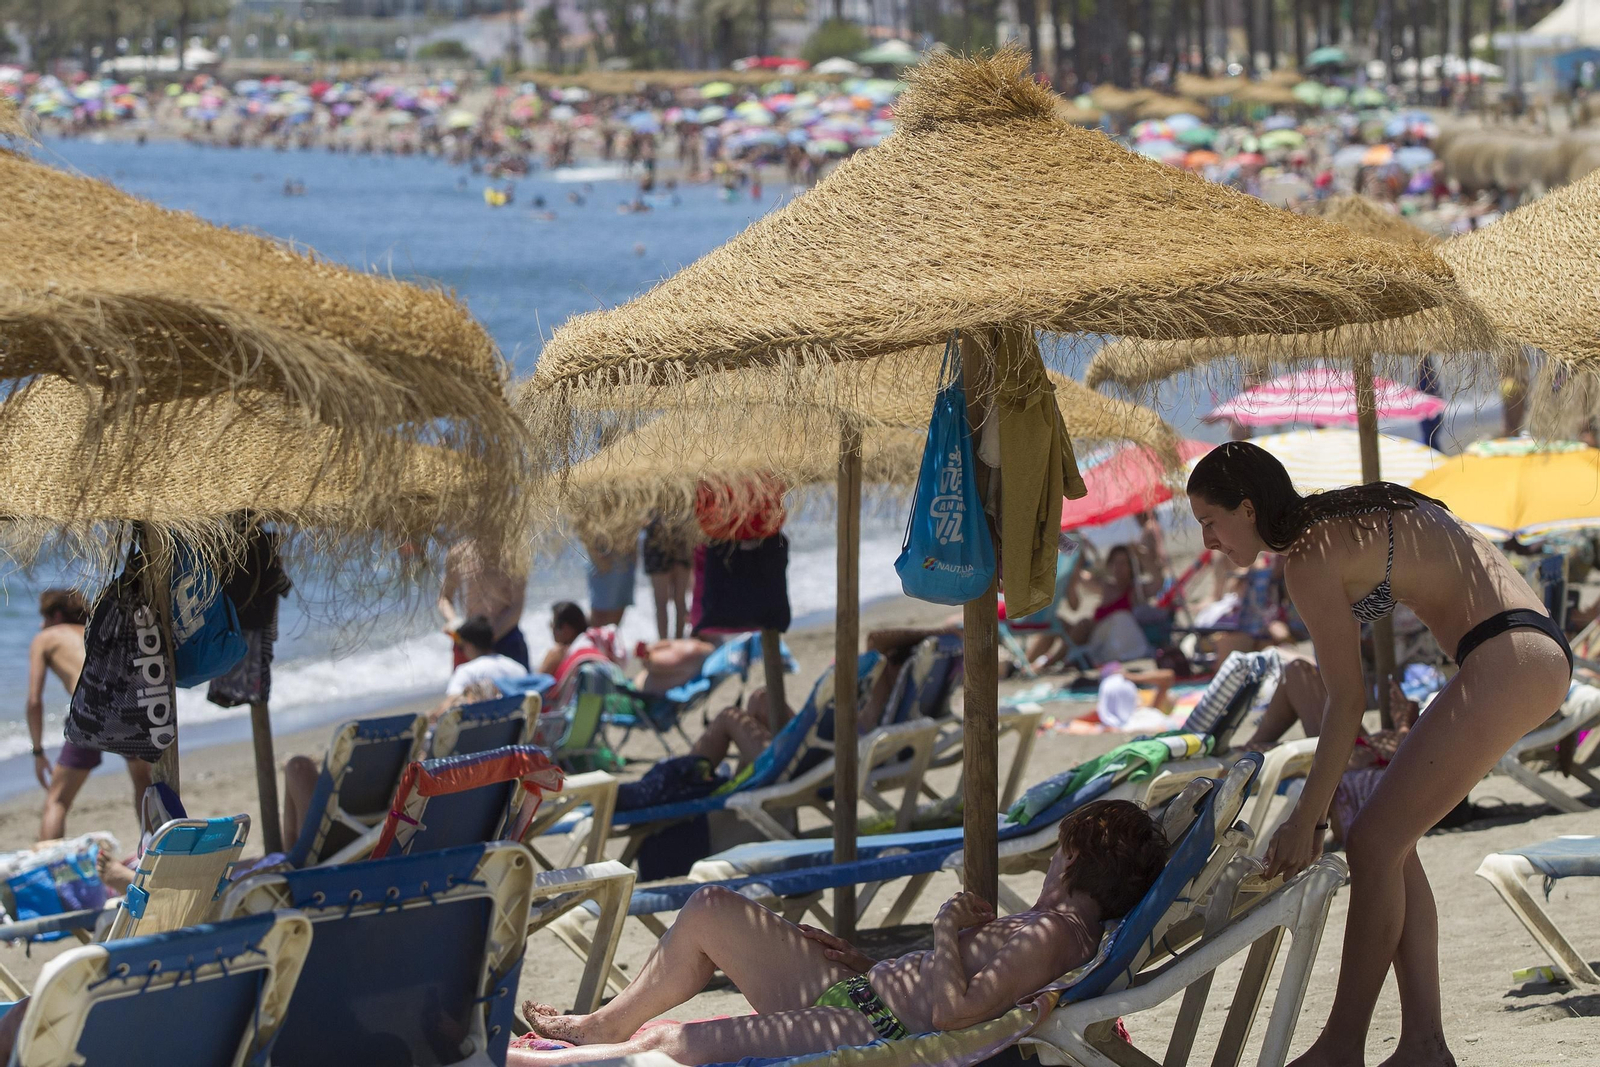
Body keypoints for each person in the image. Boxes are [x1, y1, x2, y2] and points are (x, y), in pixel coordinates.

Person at [1187, 441, 1572, 1067]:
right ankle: (1423, 1045)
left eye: (1210, 521)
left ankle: (1342, 1047)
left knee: (1371, 843)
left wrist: (1307, 818)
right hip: (1521, 649)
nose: (1207, 541)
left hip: (1507, 657)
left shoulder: (1309, 555)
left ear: (1248, 509)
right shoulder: (1338, 523)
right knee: (1393, 844)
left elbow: (1346, 701)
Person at [516, 800, 1167, 1066]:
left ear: (1073, 858)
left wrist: (944, 926)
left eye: (1055, 853)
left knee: (669, 1044)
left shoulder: (1055, 933)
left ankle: (552, 1060)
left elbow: (952, 1012)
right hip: (862, 995)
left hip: (867, 1029)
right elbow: (954, 991)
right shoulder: (1057, 931)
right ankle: (599, 1025)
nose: (1049, 861)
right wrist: (873, 964)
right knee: (711, 907)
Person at [28, 590, 152, 841]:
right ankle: (156, 850)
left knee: (57, 800)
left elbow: (34, 701)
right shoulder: (96, 630)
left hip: (91, 710)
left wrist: (38, 752)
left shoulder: (45, 638)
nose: (41, 625)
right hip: (130, 704)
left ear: (57, 615)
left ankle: (51, 860)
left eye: (44, 617)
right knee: (143, 783)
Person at [438, 538, 530, 670]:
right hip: (469, 640)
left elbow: (517, 606)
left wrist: (489, 636)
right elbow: (444, 598)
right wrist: (454, 621)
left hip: (505, 636)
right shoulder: (458, 553)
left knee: (518, 681)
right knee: (464, 682)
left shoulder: (514, 555)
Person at [431, 615, 530, 721]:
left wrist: (431, 716)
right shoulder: (518, 668)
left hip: (482, 728)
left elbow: (449, 707)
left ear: (469, 645)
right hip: (515, 728)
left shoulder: (467, 671)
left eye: (462, 646)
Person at [642, 516, 693, 641]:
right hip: (670, 542)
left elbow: (641, 520)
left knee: (670, 601)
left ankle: (669, 643)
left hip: (670, 542)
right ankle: (669, 643)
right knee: (674, 601)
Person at [583, 537, 637, 628]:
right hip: (602, 558)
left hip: (623, 558)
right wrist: (594, 555)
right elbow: (583, 532)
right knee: (599, 617)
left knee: (615, 616)